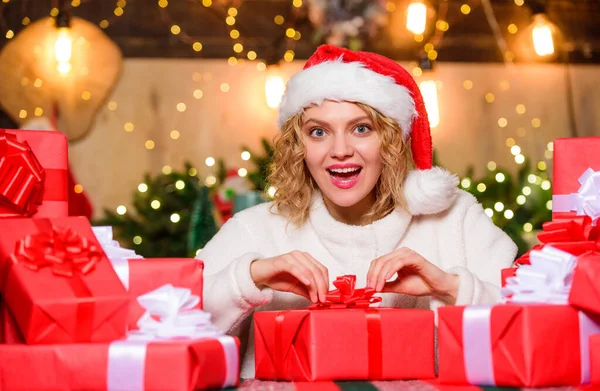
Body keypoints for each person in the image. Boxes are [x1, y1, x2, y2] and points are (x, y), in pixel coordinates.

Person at [198, 44, 517, 378]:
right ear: (299, 146)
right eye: (318, 132)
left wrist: (451, 286)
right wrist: (247, 279)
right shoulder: (254, 229)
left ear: (392, 139)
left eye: (361, 128)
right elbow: (170, 331)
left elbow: (533, 331)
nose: (340, 151)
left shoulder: (456, 219)